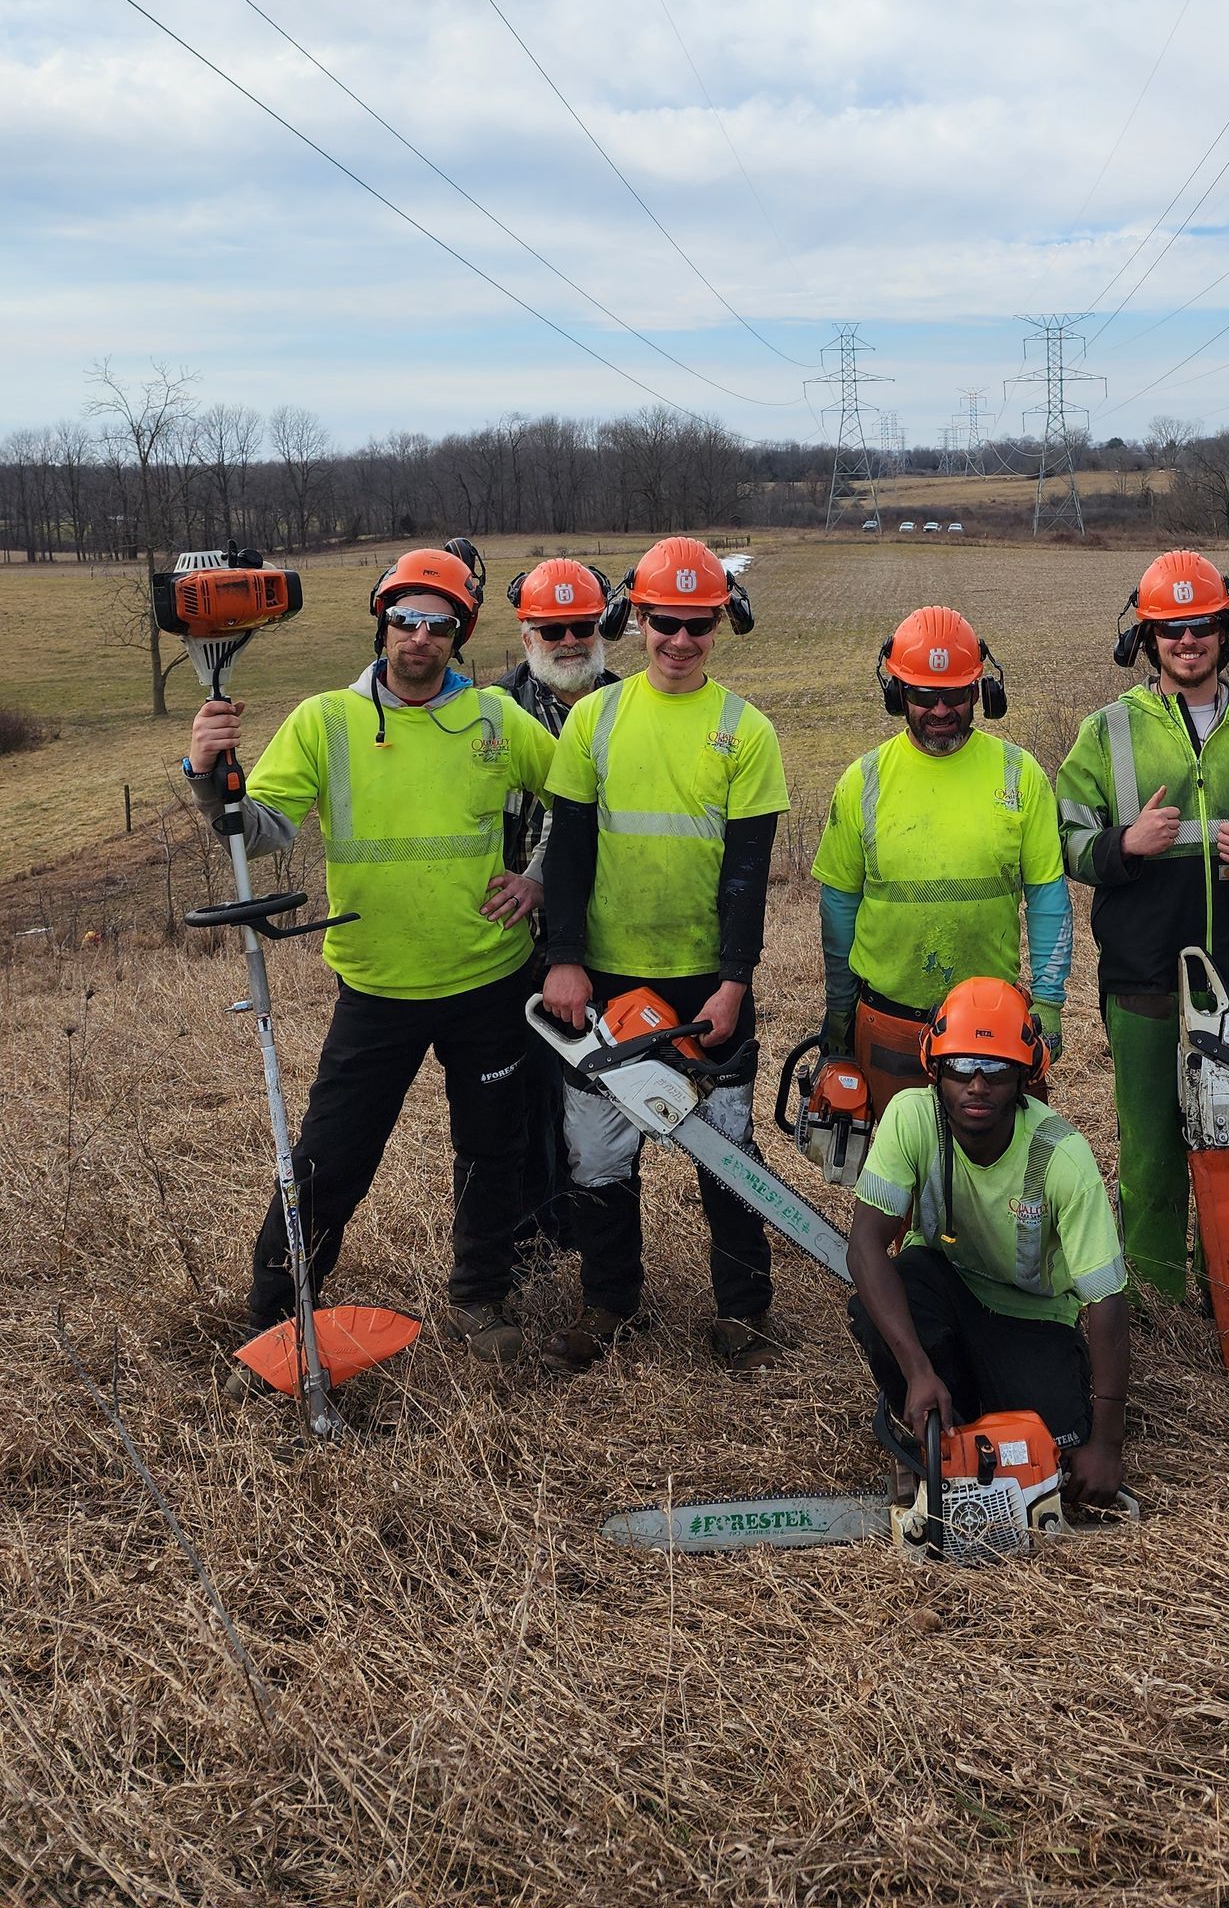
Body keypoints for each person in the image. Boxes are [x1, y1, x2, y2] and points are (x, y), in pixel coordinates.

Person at [183, 544, 555, 1369]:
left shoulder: (496, 717)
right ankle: (280, 1313)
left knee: (494, 1150)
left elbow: (578, 799)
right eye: (404, 619)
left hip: (488, 979)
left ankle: (479, 1296)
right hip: (377, 986)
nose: (417, 637)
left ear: (459, 634)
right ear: (381, 622)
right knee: (330, 1158)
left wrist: (537, 879)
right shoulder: (325, 721)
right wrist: (212, 774)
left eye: (438, 623)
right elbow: (259, 826)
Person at [540, 536, 789, 1371]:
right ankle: (611, 1302)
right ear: (634, 618)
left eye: (698, 625)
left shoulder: (745, 730)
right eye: (665, 623)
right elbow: (568, 852)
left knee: (725, 1152)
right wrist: (564, 959)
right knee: (598, 1153)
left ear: (722, 623)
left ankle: (744, 1311)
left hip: (707, 983)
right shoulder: (594, 719)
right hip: (606, 975)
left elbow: (747, 873)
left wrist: (734, 982)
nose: (680, 642)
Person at [1055, 549, 1229, 1303]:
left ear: (1228, 631)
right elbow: (1063, 839)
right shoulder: (1104, 731)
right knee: (1149, 1151)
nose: (1187, 640)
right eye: (1168, 629)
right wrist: (1122, 845)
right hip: (1142, 970)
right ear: (1143, 639)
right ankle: (1159, 1300)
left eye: (1202, 625)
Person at [847, 977, 1128, 1506]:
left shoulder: (1062, 1155)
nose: (977, 1085)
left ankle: (965, 1423)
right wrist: (917, 1370)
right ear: (936, 1069)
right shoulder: (910, 1116)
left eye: (996, 1068)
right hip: (949, 1289)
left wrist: (1107, 1442)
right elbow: (864, 1245)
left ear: (1026, 1075)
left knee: (1059, 1437)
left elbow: (1107, 1301)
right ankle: (931, 1422)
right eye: (961, 1066)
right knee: (877, 1296)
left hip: (1037, 1321)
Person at [811, 604, 1070, 1119]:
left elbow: (1048, 899)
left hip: (993, 1024)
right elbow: (837, 910)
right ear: (896, 694)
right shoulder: (863, 781)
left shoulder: (1020, 777)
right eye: (922, 694)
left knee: (997, 1184)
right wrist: (840, 1010)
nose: (940, 709)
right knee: (894, 1179)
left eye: (955, 693)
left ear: (980, 691)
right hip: (887, 1021)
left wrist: (1048, 1001)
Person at [499, 558, 623, 1265]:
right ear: (527, 635)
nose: (571, 640)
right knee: (519, 1093)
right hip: (513, 936)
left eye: (582, 626)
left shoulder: (631, 707)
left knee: (591, 1092)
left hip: (602, 934)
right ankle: (524, 1230)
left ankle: (585, 1226)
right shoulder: (493, 712)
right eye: (555, 629)